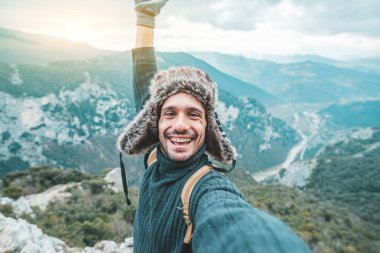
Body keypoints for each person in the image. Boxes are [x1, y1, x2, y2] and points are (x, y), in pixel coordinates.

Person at [117, 1, 312, 252]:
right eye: (170, 113)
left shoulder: (205, 189)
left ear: (207, 127)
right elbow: (145, 78)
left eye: (193, 114)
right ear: (156, 123)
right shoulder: (156, 155)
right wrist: (145, 16)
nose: (179, 125)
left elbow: (233, 224)